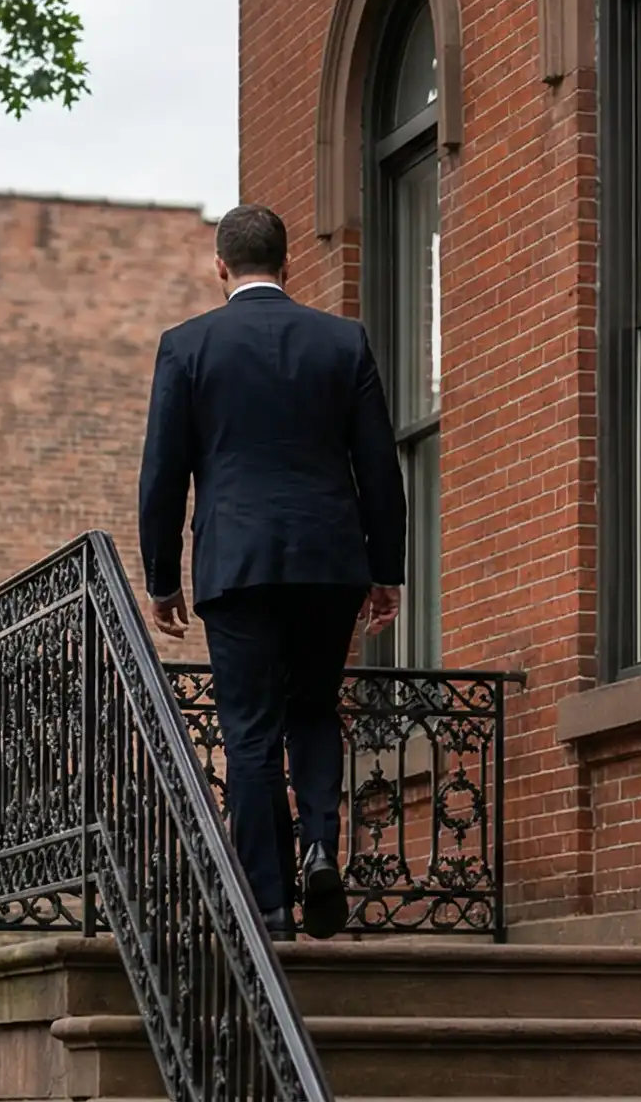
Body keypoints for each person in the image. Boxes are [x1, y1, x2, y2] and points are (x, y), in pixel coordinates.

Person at [136, 203, 405, 940]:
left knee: (249, 729)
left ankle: (271, 903)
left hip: (236, 564)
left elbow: (163, 474)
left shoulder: (187, 346)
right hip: (329, 561)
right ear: (289, 264)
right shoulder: (343, 341)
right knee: (313, 708)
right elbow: (379, 465)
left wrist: (162, 578)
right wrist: (385, 569)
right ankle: (319, 846)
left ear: (220, 266)